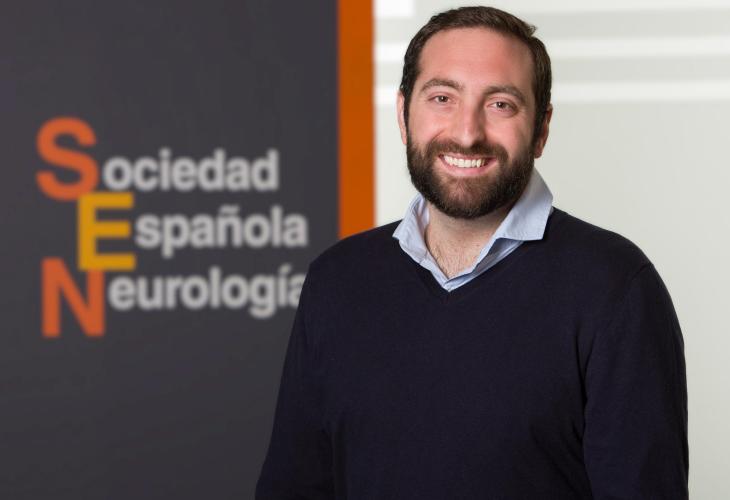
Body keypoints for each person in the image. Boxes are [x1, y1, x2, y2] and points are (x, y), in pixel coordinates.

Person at [256, 6, 688, 499]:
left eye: (501, 104)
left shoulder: (616, 289)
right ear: (403, 114)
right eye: (442, 98)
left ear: (541, 129)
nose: (467, 133)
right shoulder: (337, 281)